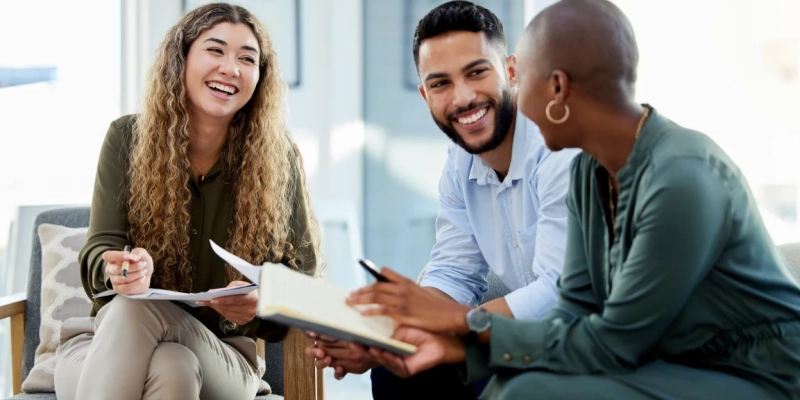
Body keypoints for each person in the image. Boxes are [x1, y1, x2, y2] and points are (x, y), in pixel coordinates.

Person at [348, 0, 800, 399]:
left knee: (530, 391)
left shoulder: (683, 176)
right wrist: (442, 338)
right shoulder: (590, 169)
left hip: (752, 371)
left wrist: (458, 328)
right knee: (507, 383)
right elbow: (572, 309)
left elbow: (614, 341)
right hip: (658, 354)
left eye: (526, 81)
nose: (517, 100)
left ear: (557, 88)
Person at [305, 2, 577, 399]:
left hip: (577, 341)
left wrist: (446, 320)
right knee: (399, 370)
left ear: (511, 70)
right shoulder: (459, 161)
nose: (463, 97)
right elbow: (454, 272)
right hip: (512, 336)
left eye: (477, 72)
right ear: (424, 94)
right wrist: (383, 338)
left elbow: (556, 293)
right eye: (440, 83)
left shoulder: (557, 147)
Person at [52, 3, 321, 400]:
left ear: (260, 77)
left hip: (224, 356)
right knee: (171, 366)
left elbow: (304, 285)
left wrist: (262, 303)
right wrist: (122, 271)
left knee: (137, 313)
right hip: (101, 346)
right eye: (215, 50)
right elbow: (100, 252)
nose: (231, 68)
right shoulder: (127, 139)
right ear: (181, 59)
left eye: (247, 58)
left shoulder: (279, 161)